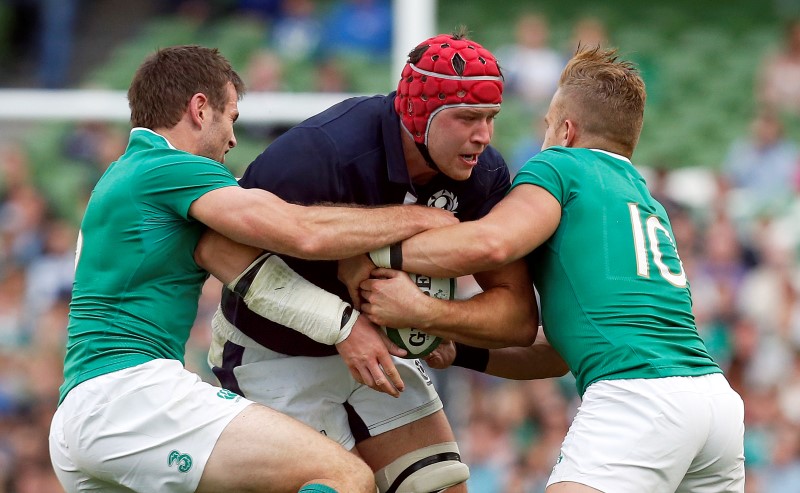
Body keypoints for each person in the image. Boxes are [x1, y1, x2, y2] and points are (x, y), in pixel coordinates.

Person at [47, 44, 459, 493]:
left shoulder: (125, 176)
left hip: (84, 413)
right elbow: (300, 230)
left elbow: (257, 278)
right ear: (200, 109)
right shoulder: (168, 169)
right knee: (344, 476)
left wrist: (347, 321)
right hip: (130, 398)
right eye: (232, 118)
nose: (233, 139)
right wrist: (417, 217)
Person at [357, 46, 746, 493]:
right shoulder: (646, 201)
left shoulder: (561, 166)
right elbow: (557, 354)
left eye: (545, 126)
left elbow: (492, 242)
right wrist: (458, 347)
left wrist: (371, 255)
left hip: (638, 397)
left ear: (566, 129)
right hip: (714, 405)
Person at [193, 30, 540, 493]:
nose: (483, 136)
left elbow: (517, 320)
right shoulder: (323, 150)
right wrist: (343, 320)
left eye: (491, 118)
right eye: (467, 118)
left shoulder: (484, 174)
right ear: (418, 114)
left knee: (441, 485)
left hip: (383, 353)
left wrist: (426, 314)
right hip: (273, 352)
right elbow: (216, 247)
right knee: (339, 485)